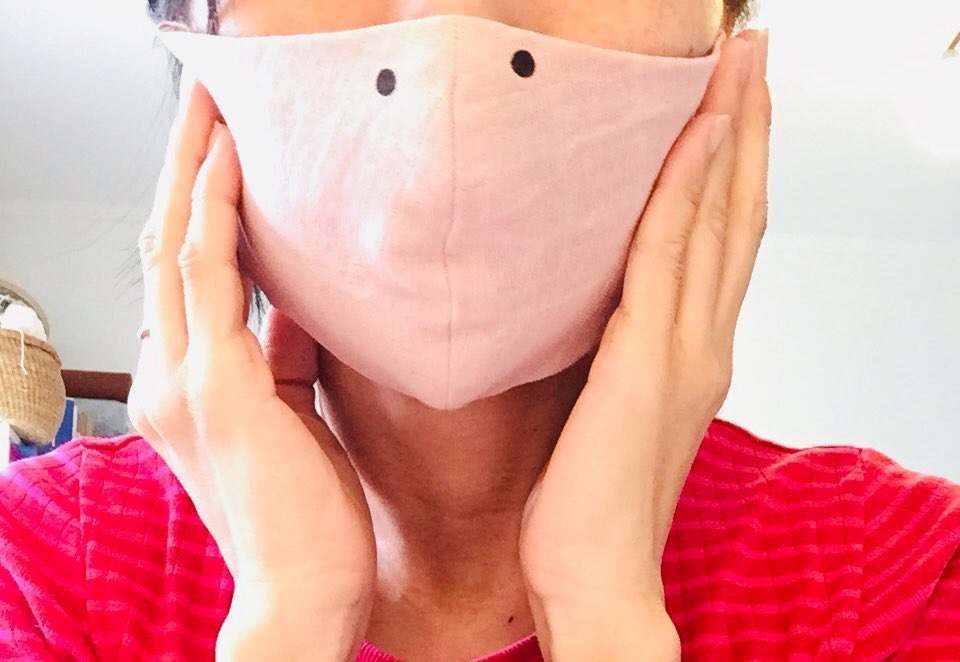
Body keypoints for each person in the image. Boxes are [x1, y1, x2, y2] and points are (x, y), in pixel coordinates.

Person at [1, 2, 958, 661]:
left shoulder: (902, 573)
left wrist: (605, 615)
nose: (452, 24)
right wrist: (289, 622)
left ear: (726, 42)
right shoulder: (35, 566)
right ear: (196, 31)